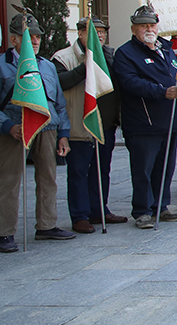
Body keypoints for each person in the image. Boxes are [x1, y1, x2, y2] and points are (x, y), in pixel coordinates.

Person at [0, 13, 75, 249]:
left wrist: (63, 133)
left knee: (48, 178)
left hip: (47, 128)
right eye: (28, 36)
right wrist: (7, 126)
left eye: (37, 37)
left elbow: (58, 103)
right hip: (15, 128)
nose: (34, 41)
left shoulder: (47, 66)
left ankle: (46, 225)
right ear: (13, 39)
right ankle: (4, 232)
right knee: (9, 180)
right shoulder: (2, 65)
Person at [113, 4, 177, 227]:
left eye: (152, 24)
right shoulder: (125, 53)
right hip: (143, 122)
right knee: (143, 170)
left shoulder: (165, 48)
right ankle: (142, 211)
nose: (149, 28)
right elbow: (130, 83)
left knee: (165, 167)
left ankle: (161, 206)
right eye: (143, 25)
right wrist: (162, 92)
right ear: (133, 29)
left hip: (169, 120)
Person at [52, 17, 125, 232]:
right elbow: (59, 83)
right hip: (79, 125)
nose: (99, 36)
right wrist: (84, 67)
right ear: (80, 33)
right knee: (78, 171)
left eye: (102, 32)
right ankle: (80, 215)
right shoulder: (63, 57)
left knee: (102, 170)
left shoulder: (109, 55)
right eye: (94, 32)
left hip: (105, 125)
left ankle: (99, 209)